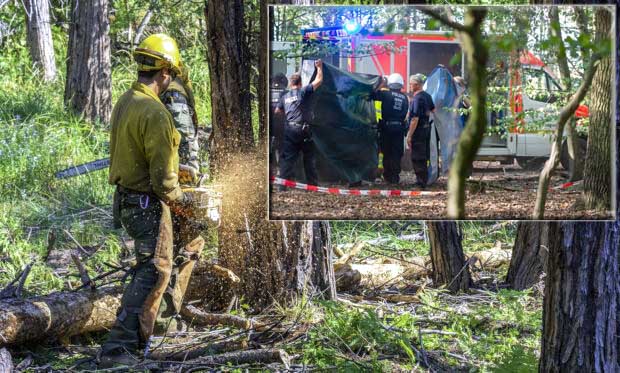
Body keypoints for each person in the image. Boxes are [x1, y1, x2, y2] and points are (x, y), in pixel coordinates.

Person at [100, 33, 203, 367]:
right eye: (170, 73)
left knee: (151, 268)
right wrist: (185, 202)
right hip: (146, 202)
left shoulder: (127, 100)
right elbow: (163, 181)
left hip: (128, 199)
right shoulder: (156, 113)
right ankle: (119, 349)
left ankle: (142, 337)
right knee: (154, 271)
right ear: (165, 72)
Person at [274, 59, 323, 190]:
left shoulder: (285, 96)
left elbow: (278, 111)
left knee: (287, 160)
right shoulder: (303, 91)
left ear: (290, 84)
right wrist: (319, 68)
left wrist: (289, 114)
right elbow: (318, 81)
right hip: (304, 130)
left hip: (290, 130)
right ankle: (312, 187)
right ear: (300, 83)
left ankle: (281, 187)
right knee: (309, 159)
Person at [370, 73, 409, 184]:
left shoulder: (385, 94)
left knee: (386, 152)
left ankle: (387, 176)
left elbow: (372, 94)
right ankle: (395, 177)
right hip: (400, 128)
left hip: (387, 127)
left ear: (390, 83)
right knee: (396, 153)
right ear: (401, 84)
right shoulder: (405, 97)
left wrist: (381, 83)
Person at [406, 73, 435, 189]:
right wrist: (426, 115)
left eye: (411, 84)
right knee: (424, 154)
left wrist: (409, 135)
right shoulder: (427, 96)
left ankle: (420, 182)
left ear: (417, 85)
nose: (409, 86)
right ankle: (424, 179)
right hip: (427, 129)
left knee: (417, 156)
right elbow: (433, 110)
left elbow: (415, 119)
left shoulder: (417, 98)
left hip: (418, 131)